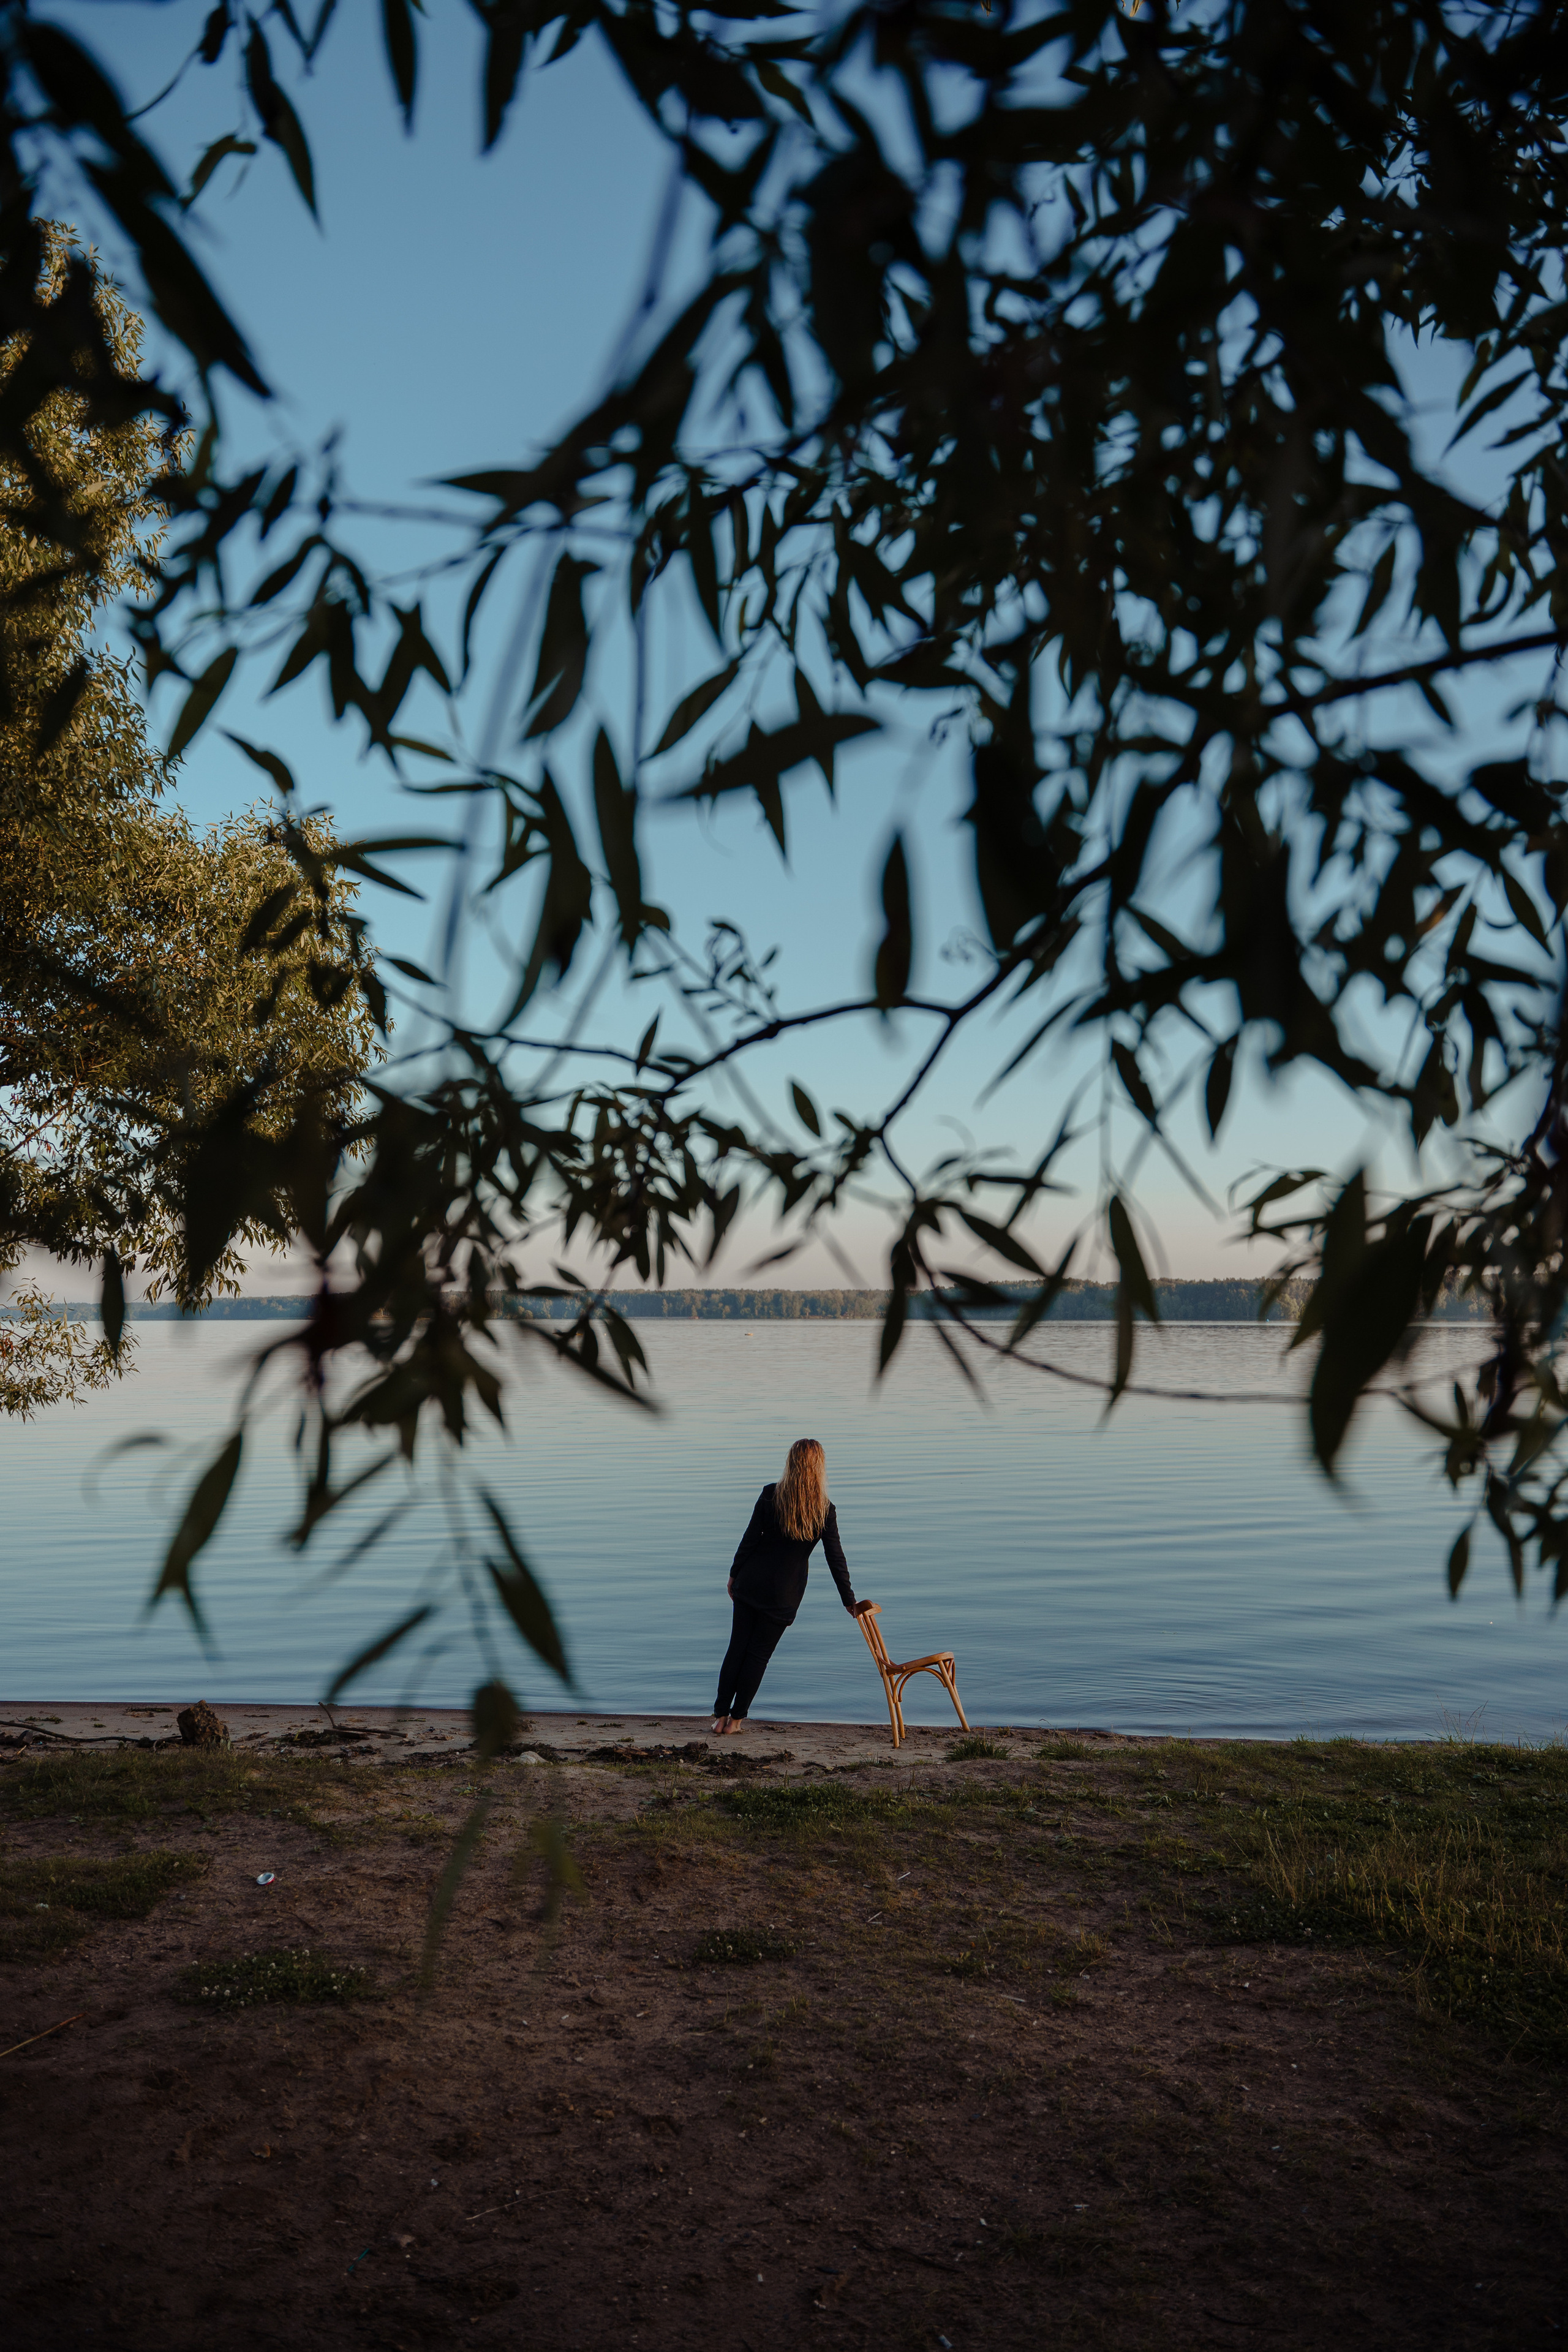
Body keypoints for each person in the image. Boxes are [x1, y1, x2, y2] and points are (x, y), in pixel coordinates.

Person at [712, 1437, 872, 1736]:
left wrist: (734, 1573)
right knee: (758, 1656)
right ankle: (735, 1721)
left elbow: (749, 1539)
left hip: (751, 1584)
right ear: (819, 1468)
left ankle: (720, 1716)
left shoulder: (771, 1494)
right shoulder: (824, 1510)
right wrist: (848, 1600)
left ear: (791, 1463)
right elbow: (835, 1557)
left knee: (737, 1649)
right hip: (783, 1596)